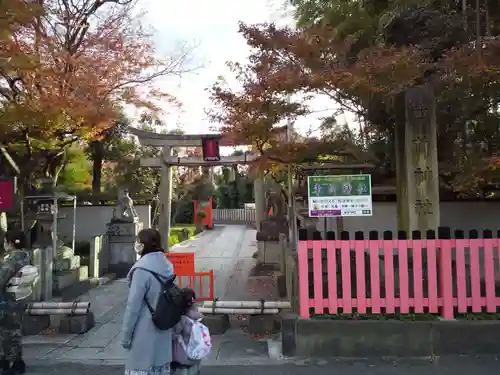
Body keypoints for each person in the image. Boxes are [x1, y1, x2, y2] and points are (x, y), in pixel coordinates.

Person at [121, 228, 174, 375]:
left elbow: (133, 307)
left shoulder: (141, 271)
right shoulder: (167, 267)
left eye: (138, 241)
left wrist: (126, 336)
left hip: (143, 335)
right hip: (164, 332)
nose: (136, 243)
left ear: (143, 245)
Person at [0, 230, 30, 375]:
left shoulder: (11, 261)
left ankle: (14, 363)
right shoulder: (25, 257)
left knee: (8, 333)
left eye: (5, 241)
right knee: (15, 331)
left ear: (10, 243)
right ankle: (10, 361)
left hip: (7, 302)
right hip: (20, 299)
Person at [171, 288, 203, 375]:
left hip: (183, 357)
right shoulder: (196, 317)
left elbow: (173, 335)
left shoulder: (181, 319)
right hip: (195, 355)